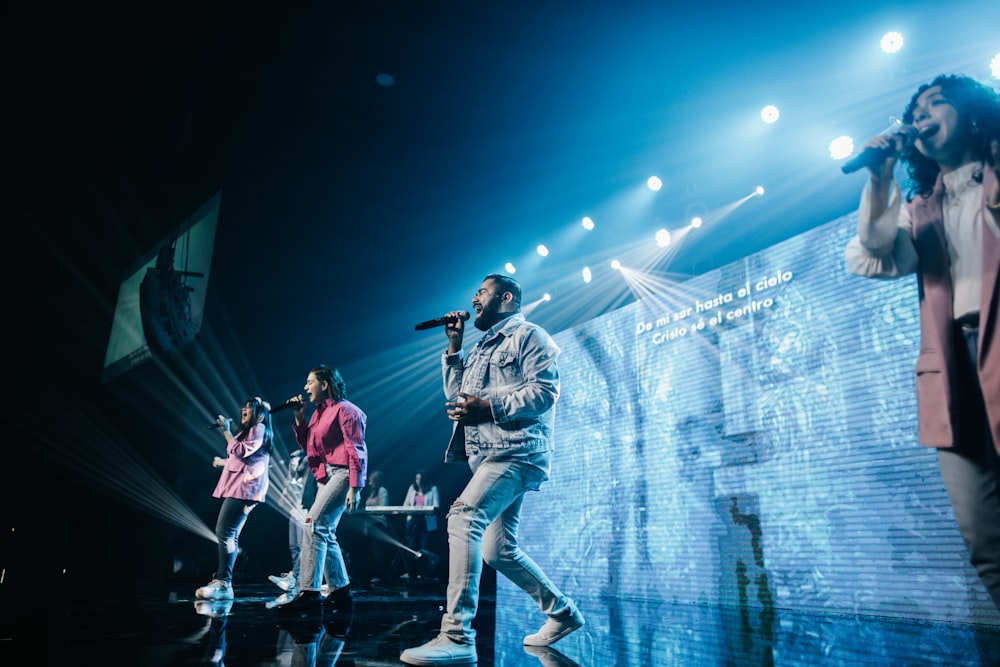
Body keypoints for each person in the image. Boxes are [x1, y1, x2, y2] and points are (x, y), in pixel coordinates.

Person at [844, 73, 1000, 611]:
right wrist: (881, 178)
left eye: (938, 104)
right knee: (985, 540)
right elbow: (880, 249)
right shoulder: (921, 206)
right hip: (954, 369)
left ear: (973, 112)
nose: (923, 115)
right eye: (916, 109)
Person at [400, 274, 585, 666]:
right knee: (498, 550)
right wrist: (454, 347)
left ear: (505, 297)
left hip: (518, 452)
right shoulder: (481, 347)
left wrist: (488, 407)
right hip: (490, 456)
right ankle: (563, 613)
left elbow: (546, 392)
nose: (473, 298)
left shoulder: (529, 335)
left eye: (481, 292)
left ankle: (457, 636)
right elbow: (456, 396)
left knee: (463, 518)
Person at [277, 365, 368, 616]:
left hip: (342, 473)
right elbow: (309, 446)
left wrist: (355, 485)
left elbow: (356, 448)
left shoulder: (347, 411)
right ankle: (340, 590)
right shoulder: (318, 413)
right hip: (325, 476)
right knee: (325, 532)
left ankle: (310, 592)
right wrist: (299, 417)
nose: (305, 388)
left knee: (314, 525)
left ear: (325, 384)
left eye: (310, 382)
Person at [195, 396, 273, 600]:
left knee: (225, 531)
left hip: (245, 489)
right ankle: (223, 582)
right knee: (230, 534)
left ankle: (223, 582)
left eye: (250, 407)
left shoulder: (259, 428)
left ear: (260, 413)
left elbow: (240, 451)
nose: (244, 410)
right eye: (244, 407)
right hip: (243, 488)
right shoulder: (252, 432)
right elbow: (243, 458)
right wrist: (223, 462)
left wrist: (225, 430)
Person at [267, 449, 317, 594]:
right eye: (291, 458)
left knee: (304, 545)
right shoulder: (292, 476)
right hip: (294, 512)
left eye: (295, 458)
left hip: (304, 512)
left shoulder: (306, 473)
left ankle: (297, 577)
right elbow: (283, 499)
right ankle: (297, 579)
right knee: (294, 546)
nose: (292, 461)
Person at [401, 468, 441, 580]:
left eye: (421, 478)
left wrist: (425, 510)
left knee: (424, 549)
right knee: (410, 548)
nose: (419, 481)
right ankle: (411, 573)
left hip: (426, 523)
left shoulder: (432, 489)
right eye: (417, 478)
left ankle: (423, 573)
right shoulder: (412, 489)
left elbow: (436, 505)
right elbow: (405, 505)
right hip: (413, 521)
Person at [360, 469, 394, 584]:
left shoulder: (382, 490)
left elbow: (383, 508)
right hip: (369, 524)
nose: (369, 480)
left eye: (371, 479)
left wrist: (371, 513)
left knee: (379, 552)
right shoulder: (371, 491)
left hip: (378, 524)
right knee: (371, 552)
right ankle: (371, 574)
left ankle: (381, 575)